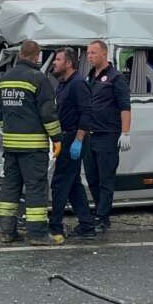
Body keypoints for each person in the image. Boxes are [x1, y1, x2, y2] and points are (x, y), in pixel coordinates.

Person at [0, 40, 62, 245]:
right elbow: (48, 114)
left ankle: (6, 231)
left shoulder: (5, 79)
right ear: (36, 56)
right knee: (35, 188)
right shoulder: (39, 79)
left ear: (20, 54)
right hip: (33, 147)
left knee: (10, 187)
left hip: (11, 145)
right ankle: (37, 234)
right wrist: (57, 139)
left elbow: (0, 116)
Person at [49, 48, 98, 240]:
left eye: (58, 59)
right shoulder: (63, 84)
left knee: (60, 183)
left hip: (73, 138)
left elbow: (86, 113)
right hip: (64, 137)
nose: (54, 62)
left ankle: (55, 226)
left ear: (68, 63)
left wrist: (78, 140)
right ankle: (87, 225)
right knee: (73, 184)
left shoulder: (78, 84)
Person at [83, 40, 132, 232]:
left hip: (107, 135)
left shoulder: (115, 78)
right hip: (89, 135)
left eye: (93, 53)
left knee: (106, 179)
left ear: (104, 54)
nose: (89, 56)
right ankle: (99, 212)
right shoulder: (89, 77)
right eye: (88, 53)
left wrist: (125, 132)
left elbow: (125, 107)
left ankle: (103, 217)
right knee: (92, 178)